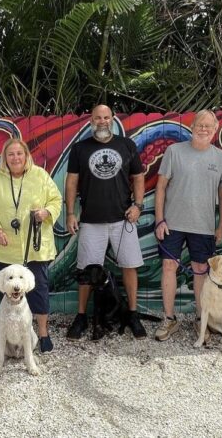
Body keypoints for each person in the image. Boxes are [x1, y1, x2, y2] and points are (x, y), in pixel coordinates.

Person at [65, 104, 147, 340]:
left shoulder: (126, 145)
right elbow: (71, 182)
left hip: (123, 219)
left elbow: (138, 177)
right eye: (98, 117)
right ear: (91, 120)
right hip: (91, 220)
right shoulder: (80, 148)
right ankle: (81, 316)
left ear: (112, 119)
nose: (102, 121)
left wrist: (138, 206)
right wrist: (71, 213)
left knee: (129, 265)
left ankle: (132, 314)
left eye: (106, 117)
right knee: (86, 270)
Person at [154, 109, 222, 341]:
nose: (204, 129)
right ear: (192, 126)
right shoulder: (174, 152)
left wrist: (220, 226)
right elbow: (161, 186)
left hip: (204, 226)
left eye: (209, 126)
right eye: (200, 124)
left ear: (215, 129)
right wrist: (160, 219)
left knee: (201, 271)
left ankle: (201, 320)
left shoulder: (221, 158)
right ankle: (169, 319)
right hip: (172, 223)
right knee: (169, 267)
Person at [0, 138, 62, 353]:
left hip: (35, 248)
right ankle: (6, 333)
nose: (15, 158)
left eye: (19, 153)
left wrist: (46, 212)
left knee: (39, 290)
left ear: (26, 155)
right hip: (6, 246)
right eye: (11, 154)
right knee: (7, 291)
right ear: (5, 158)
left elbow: (56, 200)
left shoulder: (40, 175)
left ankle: (43, 332)